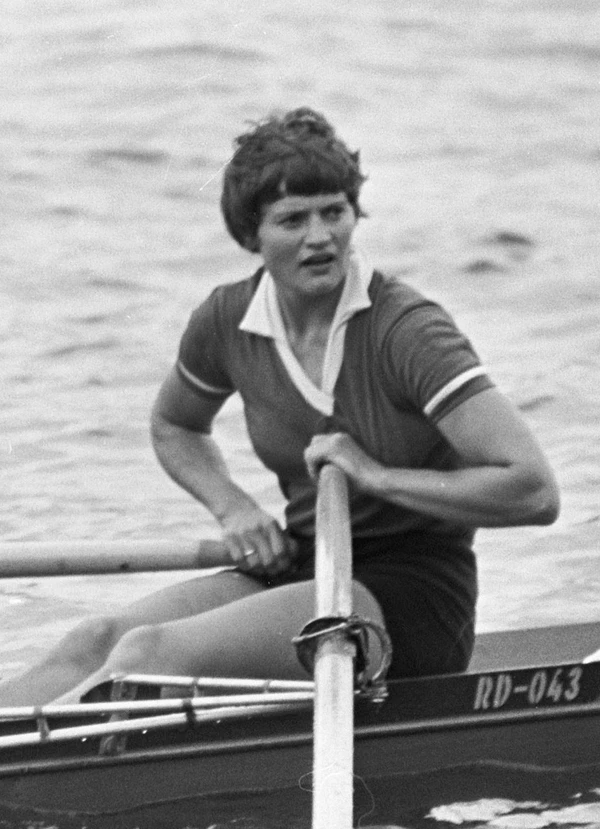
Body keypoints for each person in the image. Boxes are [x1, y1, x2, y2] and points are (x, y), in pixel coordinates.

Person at [0, 107, 559, 707]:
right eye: (293, 219)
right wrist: (234, 507)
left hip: (411, 595)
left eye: (334, 212)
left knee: (149, 656)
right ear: (252, 236)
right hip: (305, 561)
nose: (320, 237)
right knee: (95, 641)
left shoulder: (407, 331)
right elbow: (175, 425)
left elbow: (533, 490)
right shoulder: (227, 320)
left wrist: (376, 476)